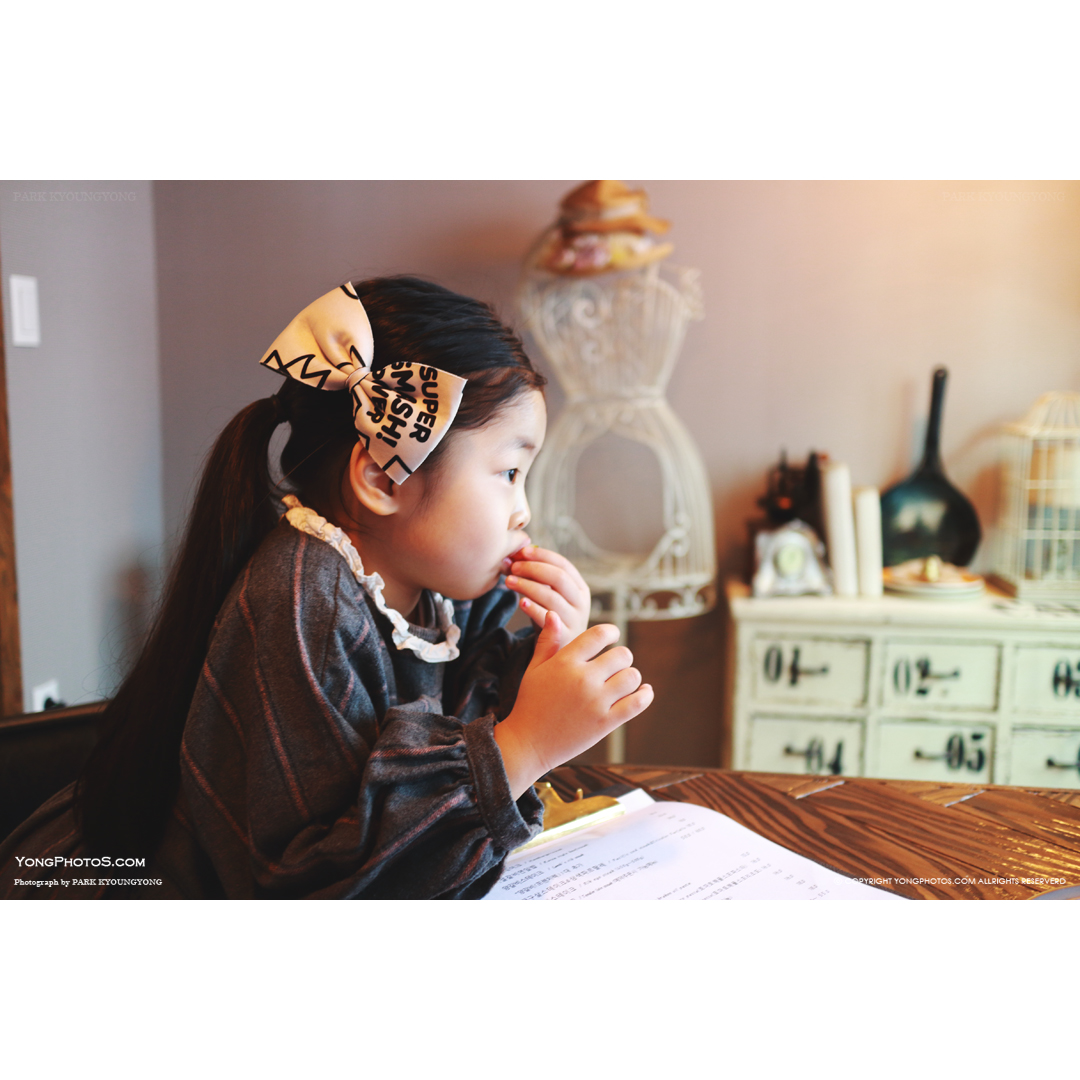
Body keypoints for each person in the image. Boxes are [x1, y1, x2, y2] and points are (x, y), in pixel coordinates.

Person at [0, 276, 653, 899]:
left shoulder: (442, 591)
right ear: (384, 478)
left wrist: (540, 668)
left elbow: (457, 716)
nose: (524, 512)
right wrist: (523, 745)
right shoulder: (300, 603)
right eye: (509, 473)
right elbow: (311, 882)